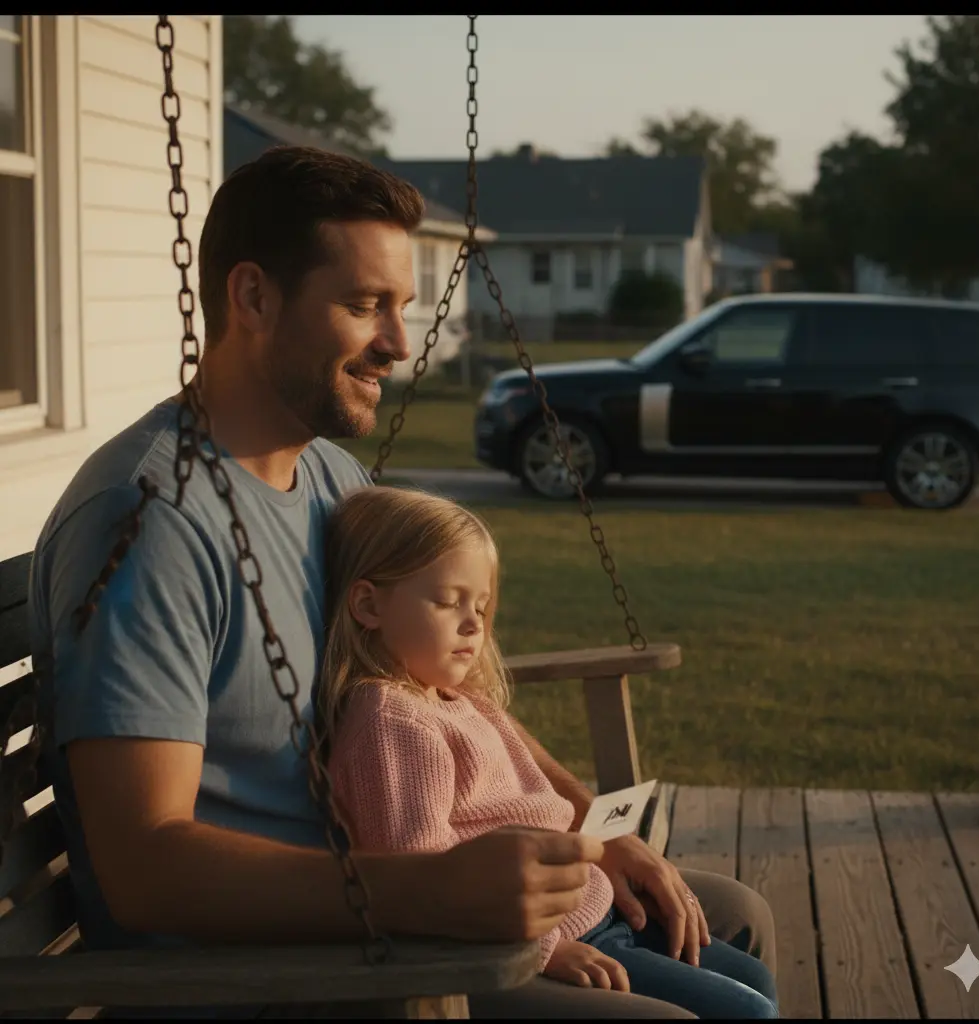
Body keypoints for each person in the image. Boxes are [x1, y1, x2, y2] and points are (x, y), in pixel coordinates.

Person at [28, 144, 777, 1018]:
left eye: (402, 307)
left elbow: (444, 693)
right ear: (254, 297)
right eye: (363, 306)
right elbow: (145, 871)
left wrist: (587, 830)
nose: (398, 343)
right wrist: (439, 893)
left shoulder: (329, 478)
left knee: (734, 919)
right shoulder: (149, 524)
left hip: (403, 902)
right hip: (275, 970)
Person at [319, 485, 779, 1019]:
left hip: (594, 906)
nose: (474, 623)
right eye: (447, 602)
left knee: (753, 981)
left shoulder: (455, 700)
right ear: (369, 605)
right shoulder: (392, 726)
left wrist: (604, 843)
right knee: (745, 1010)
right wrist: (543, 950)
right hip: (544, 940)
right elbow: (423, 882)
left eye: (481, 605)